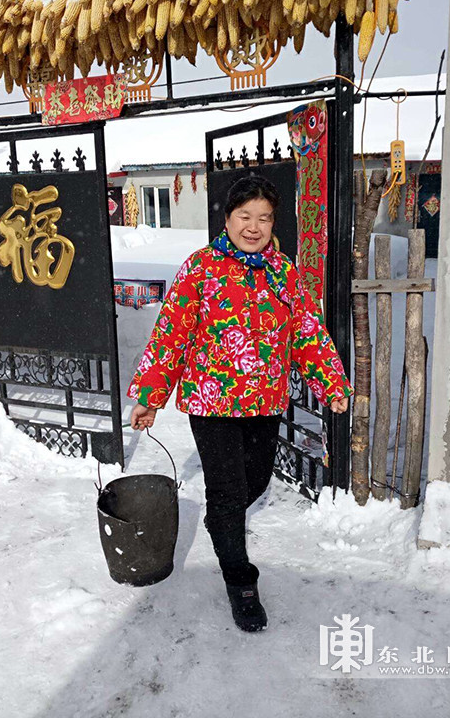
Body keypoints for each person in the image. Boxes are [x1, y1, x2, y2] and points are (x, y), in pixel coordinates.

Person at [128, 174, 354, 632]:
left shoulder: (283, 272)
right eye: (244, 216)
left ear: (274, 223)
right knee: (229, 491)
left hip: (265, 399)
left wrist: (331, 381)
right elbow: (171, 335)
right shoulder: (201, 269)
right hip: (211, 402)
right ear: (227, 218)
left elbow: (306, 330)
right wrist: (151, 398)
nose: (254, 227)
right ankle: (240, 581)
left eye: (264, 218)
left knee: (255, 480)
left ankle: (222, 521)